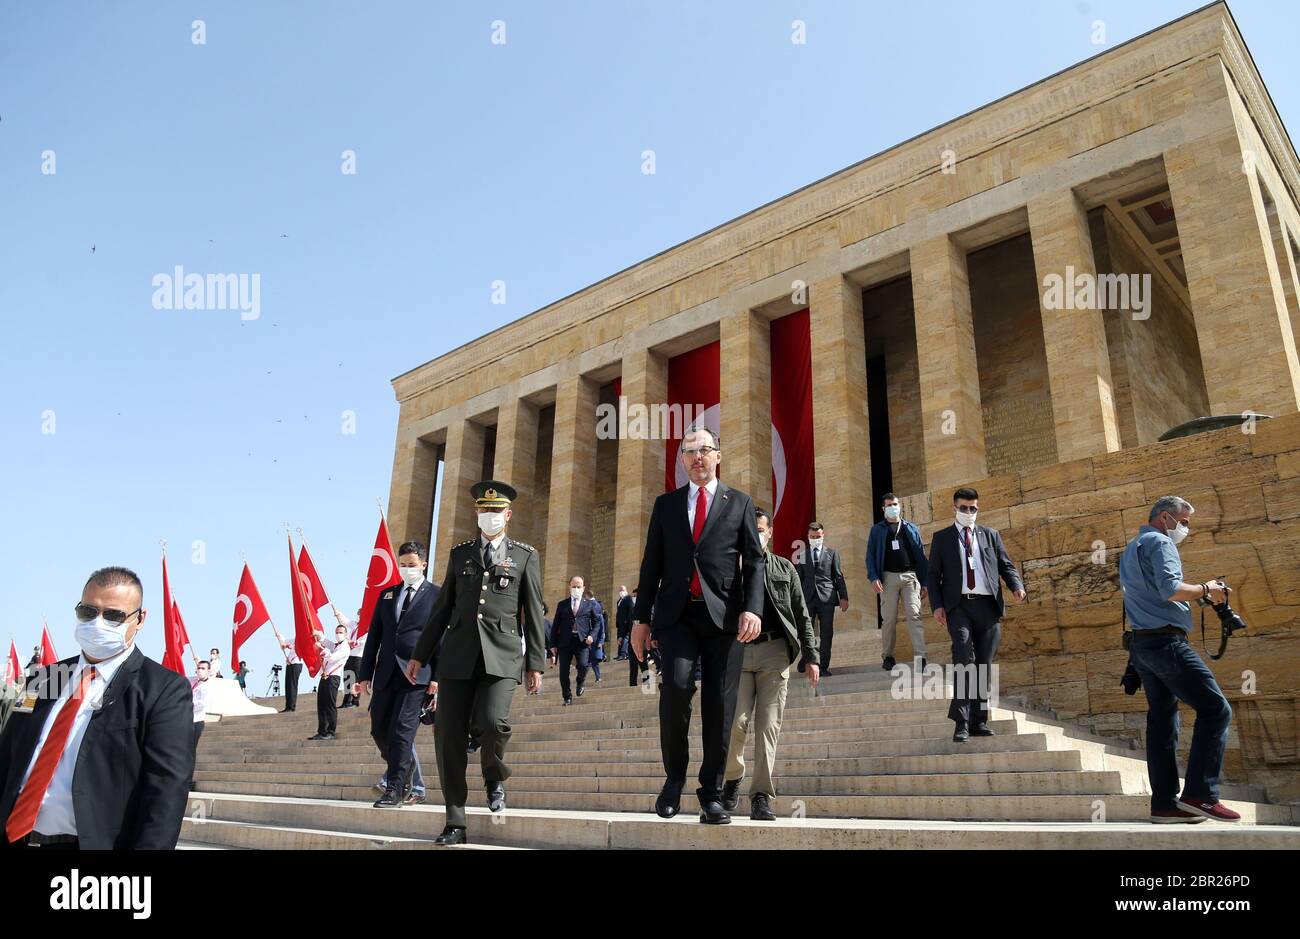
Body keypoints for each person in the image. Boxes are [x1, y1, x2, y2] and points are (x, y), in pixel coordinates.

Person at [0, 566, 192, 849]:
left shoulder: (163, 690)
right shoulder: (44, 679)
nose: (97, 623)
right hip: (17, 837)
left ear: (139, 619)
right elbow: (7, 759)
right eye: (88, 612)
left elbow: (166, 792)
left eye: (113, 615)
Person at [631, 425, 765, 825]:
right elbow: (651, 563)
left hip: (725, 618)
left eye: (704, 450)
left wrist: (753, 609)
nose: (696, 458)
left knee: (720, 706)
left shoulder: (739, 503)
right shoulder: (666, 505)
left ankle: (711, 793)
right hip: (676, 617)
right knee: (675, 687)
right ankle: (674, 779)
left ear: (718, 456)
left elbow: (755, 561)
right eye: (688, 452)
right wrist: (640, 619)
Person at [407, 479, 546, 846]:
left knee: (492, 722)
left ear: (508, 515)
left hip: (501, 656)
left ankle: (493, 776)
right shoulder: (460, 554)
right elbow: (441, 610)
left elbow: (532, 613)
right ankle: (455, 820)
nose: (489, 516)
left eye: (495, 511)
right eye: (484, 511)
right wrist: (420, 654)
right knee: (448, 736)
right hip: (457, 657)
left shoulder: (524, 555)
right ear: (477, 515)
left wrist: (535, 663)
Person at [1119, 496, 1239, 823]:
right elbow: (1170, 588)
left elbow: (1147, 594)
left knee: (1162, 720)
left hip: (1142, 645)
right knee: (1216, 709)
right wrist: (1206, 588)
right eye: (1183, 521)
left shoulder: (1132, 547)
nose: (1185, 528)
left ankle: (1165, 805)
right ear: (1165, 517)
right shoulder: (1160, 542)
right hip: (1166, 642)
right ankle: (1201, 794)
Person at [723, 509, 820, 820]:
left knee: (768, 727)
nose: (756, 534)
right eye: (750, 530)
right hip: (737, 653)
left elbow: (801, 613)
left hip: (774, 651)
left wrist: (811, 655)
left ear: (770, 532)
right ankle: (731, 779)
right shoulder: (729, 568)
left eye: (761, 529)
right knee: (735, 724)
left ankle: (761, 795)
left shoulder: (784, 568)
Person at [926, 486, 1026, 743]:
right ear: (954, 508)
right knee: (963, 657)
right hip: (959, 607)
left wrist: (1016, 585)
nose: (969, 512)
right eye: (963, 508)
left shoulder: (990, 535)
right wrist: (937, 606)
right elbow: (932, 575)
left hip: (987, 606)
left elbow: (1005, 564)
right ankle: (961, 721)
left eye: (973, 508)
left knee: (983, 662)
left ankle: (978, 720)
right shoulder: (943, 538)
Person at [356, 542, 440, 807]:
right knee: (380, 730)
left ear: (423, 564)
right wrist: (364, 673)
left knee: (403, 732)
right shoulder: (387, 595)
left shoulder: (437, 595)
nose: (407, 570)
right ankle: (402, 775)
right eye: (402, 565)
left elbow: (442, 639)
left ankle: (394, 788)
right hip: (385, 674)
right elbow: (375, 638)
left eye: (411, 565)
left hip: (417, 676)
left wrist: (437, 677)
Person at [867, 493, 930, 671]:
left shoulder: (911, 527)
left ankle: (921, 657)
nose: (892, 507)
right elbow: (870, 556)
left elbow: (920, 556)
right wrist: (873, 577)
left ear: (899, 505)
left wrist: (924, 581)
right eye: (889, 505)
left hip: (910, 577)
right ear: (883, 509)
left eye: (895, 504)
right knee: (888, 619)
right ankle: (888, 656)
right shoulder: (877, 530)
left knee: (914, 615)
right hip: (888, 578)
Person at [796, 522, 849, 676]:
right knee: (805, 632)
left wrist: (843, 597)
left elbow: (838, 577)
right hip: (808, 598)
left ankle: (823, 666)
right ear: (808, 537)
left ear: (823, 535)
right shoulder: (802, 555)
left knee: (827, 633)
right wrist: (795, 601)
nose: (815, 539)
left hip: (827, 598)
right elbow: (798, 579)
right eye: (812, 537)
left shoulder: (832, 554)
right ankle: (808, 657)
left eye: (818, 536)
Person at [550, 576, 601, 705]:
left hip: (582, 641)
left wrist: (592, 636)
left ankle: (581, 681)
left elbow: (597, 623)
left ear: (583, 588)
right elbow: (555, 625)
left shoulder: (590, 604)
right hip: (565, 642)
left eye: (579, 586)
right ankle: (567, 697)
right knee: (563, 672)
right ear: (569, 587)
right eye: (574, 586)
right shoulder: (562, 605)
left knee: (583, 665)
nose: (576, 589)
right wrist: (552, 645)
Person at [310, 623, 351, 741]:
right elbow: (328, 643)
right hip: (324, 676)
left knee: (329, 705)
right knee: (321, 704)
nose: (338, 634)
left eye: (341, 632)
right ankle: (322, 731)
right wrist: (319, 635)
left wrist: (321, 649)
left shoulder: (345, 647)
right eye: (337, 632)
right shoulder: (336, 645)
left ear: (346, 634)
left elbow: (332, 657)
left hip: (333, 678)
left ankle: (330, 732)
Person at [189, 660, 213, 791]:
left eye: (203, 668)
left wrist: (187, 704)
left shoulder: (208, 686)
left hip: (196, 720)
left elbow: (202, 704)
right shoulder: (193, 680)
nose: (200, 670)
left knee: (190, 751)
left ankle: (188, 780)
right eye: (198, 668)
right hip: (185, 720)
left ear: (208, 671)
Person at [340, 612, 363, 708]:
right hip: (349, 655)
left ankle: (355, 701)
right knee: (347, 678)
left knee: (356, 679)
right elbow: (345, 622)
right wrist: (339, 614)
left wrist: (354, 643)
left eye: (360, 613)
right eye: (358, 613)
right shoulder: (355, 624)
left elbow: (364, 641)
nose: (359, 615)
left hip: (358, 656)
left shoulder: (367, 628)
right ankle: (346, 701)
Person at [587, 590, 606, 683]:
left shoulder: (599, 616)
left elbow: (601, 628)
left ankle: (598, 677)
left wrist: (601, 641)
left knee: (594, 660)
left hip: (595, 640)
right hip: (587, 640)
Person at [279, 637, 302, 712]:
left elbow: (299, 646)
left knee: (292, 685)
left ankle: (292, 706)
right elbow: (285, 641)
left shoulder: (303, 638)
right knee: (288, 685)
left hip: (296, 663)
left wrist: (288, 646)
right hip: (290, 664)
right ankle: (288, 706)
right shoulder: (295, 638)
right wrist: (279, 636)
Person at [615, 585, 634, 659]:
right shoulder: (619, 601)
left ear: (626, 591)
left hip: (626, 622)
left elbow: (631, 609)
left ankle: (624, 654)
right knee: (620, 638)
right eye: (620, 590)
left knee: (625, 637)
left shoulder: (628, 598)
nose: (621, 592)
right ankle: (620, 654)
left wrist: (628, 620)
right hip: (620, 623)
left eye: (622, 590)